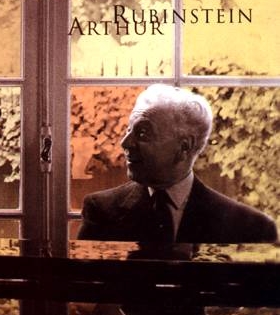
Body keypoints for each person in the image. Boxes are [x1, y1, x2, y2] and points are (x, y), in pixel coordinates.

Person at [78, 84, 278, 243]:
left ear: (184, 147)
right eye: (128, 130)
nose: (125, 143)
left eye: (142, 133)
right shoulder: (100, 211)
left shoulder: (250, 227)